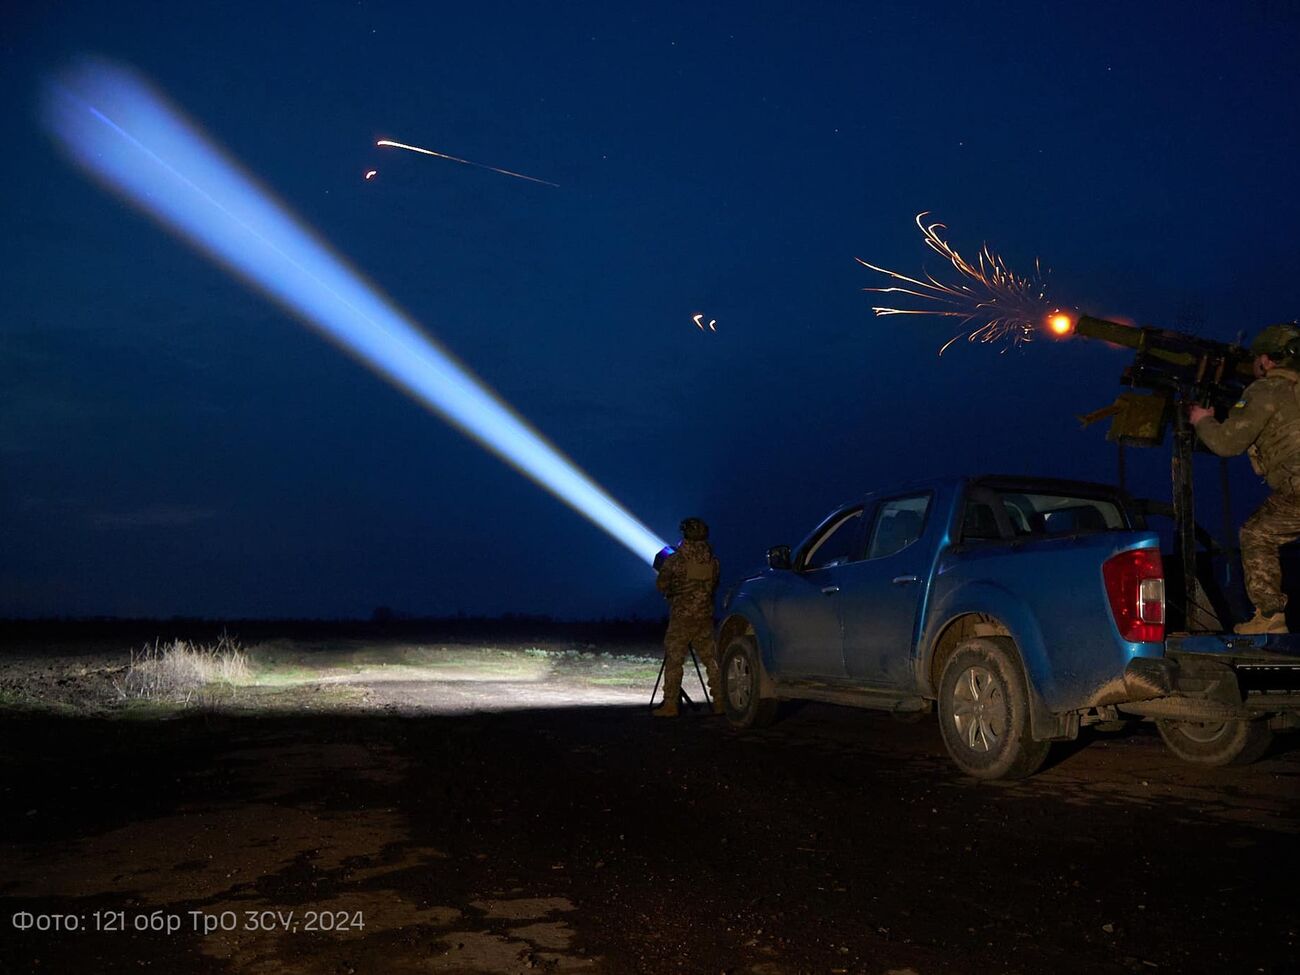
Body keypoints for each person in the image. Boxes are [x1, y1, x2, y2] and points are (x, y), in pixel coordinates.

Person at [1189, 322, 1300, 634]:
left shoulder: (1266, 389)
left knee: (1256, 533)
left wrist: (1203, 421)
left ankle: (1269, 616)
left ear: (1265, 361)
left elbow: (1226, 443)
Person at [652, 517, 723, 717]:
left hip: (681, 618)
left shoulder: (675, 561)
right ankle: (721, 702)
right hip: (705, 617)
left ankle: (671, 705)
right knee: (712, 660)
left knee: (674, 660)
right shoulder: (713, 562)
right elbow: (714, 586)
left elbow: (661, 585)